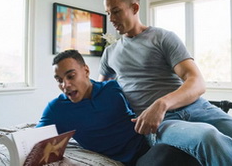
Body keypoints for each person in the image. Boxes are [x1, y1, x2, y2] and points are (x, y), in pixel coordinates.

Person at [99, 0, 232, 165]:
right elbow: (99, 95)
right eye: (108, 13)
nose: (112, 19)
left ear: (134, 8)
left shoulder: (163, 37)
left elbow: (197, 82)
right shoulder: (110, 53)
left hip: (199, 108)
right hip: (163, 123)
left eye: (116, 11)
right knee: (207, 136)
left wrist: (161, 103)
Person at [36, 50, 201, 166]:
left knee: (185, 149)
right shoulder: (56, 109)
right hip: (128, 162)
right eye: (59, 80)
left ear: (86, 70)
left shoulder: (112, 88)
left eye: (71, 76)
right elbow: (32, 142)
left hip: (146, 147)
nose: (65, 85)